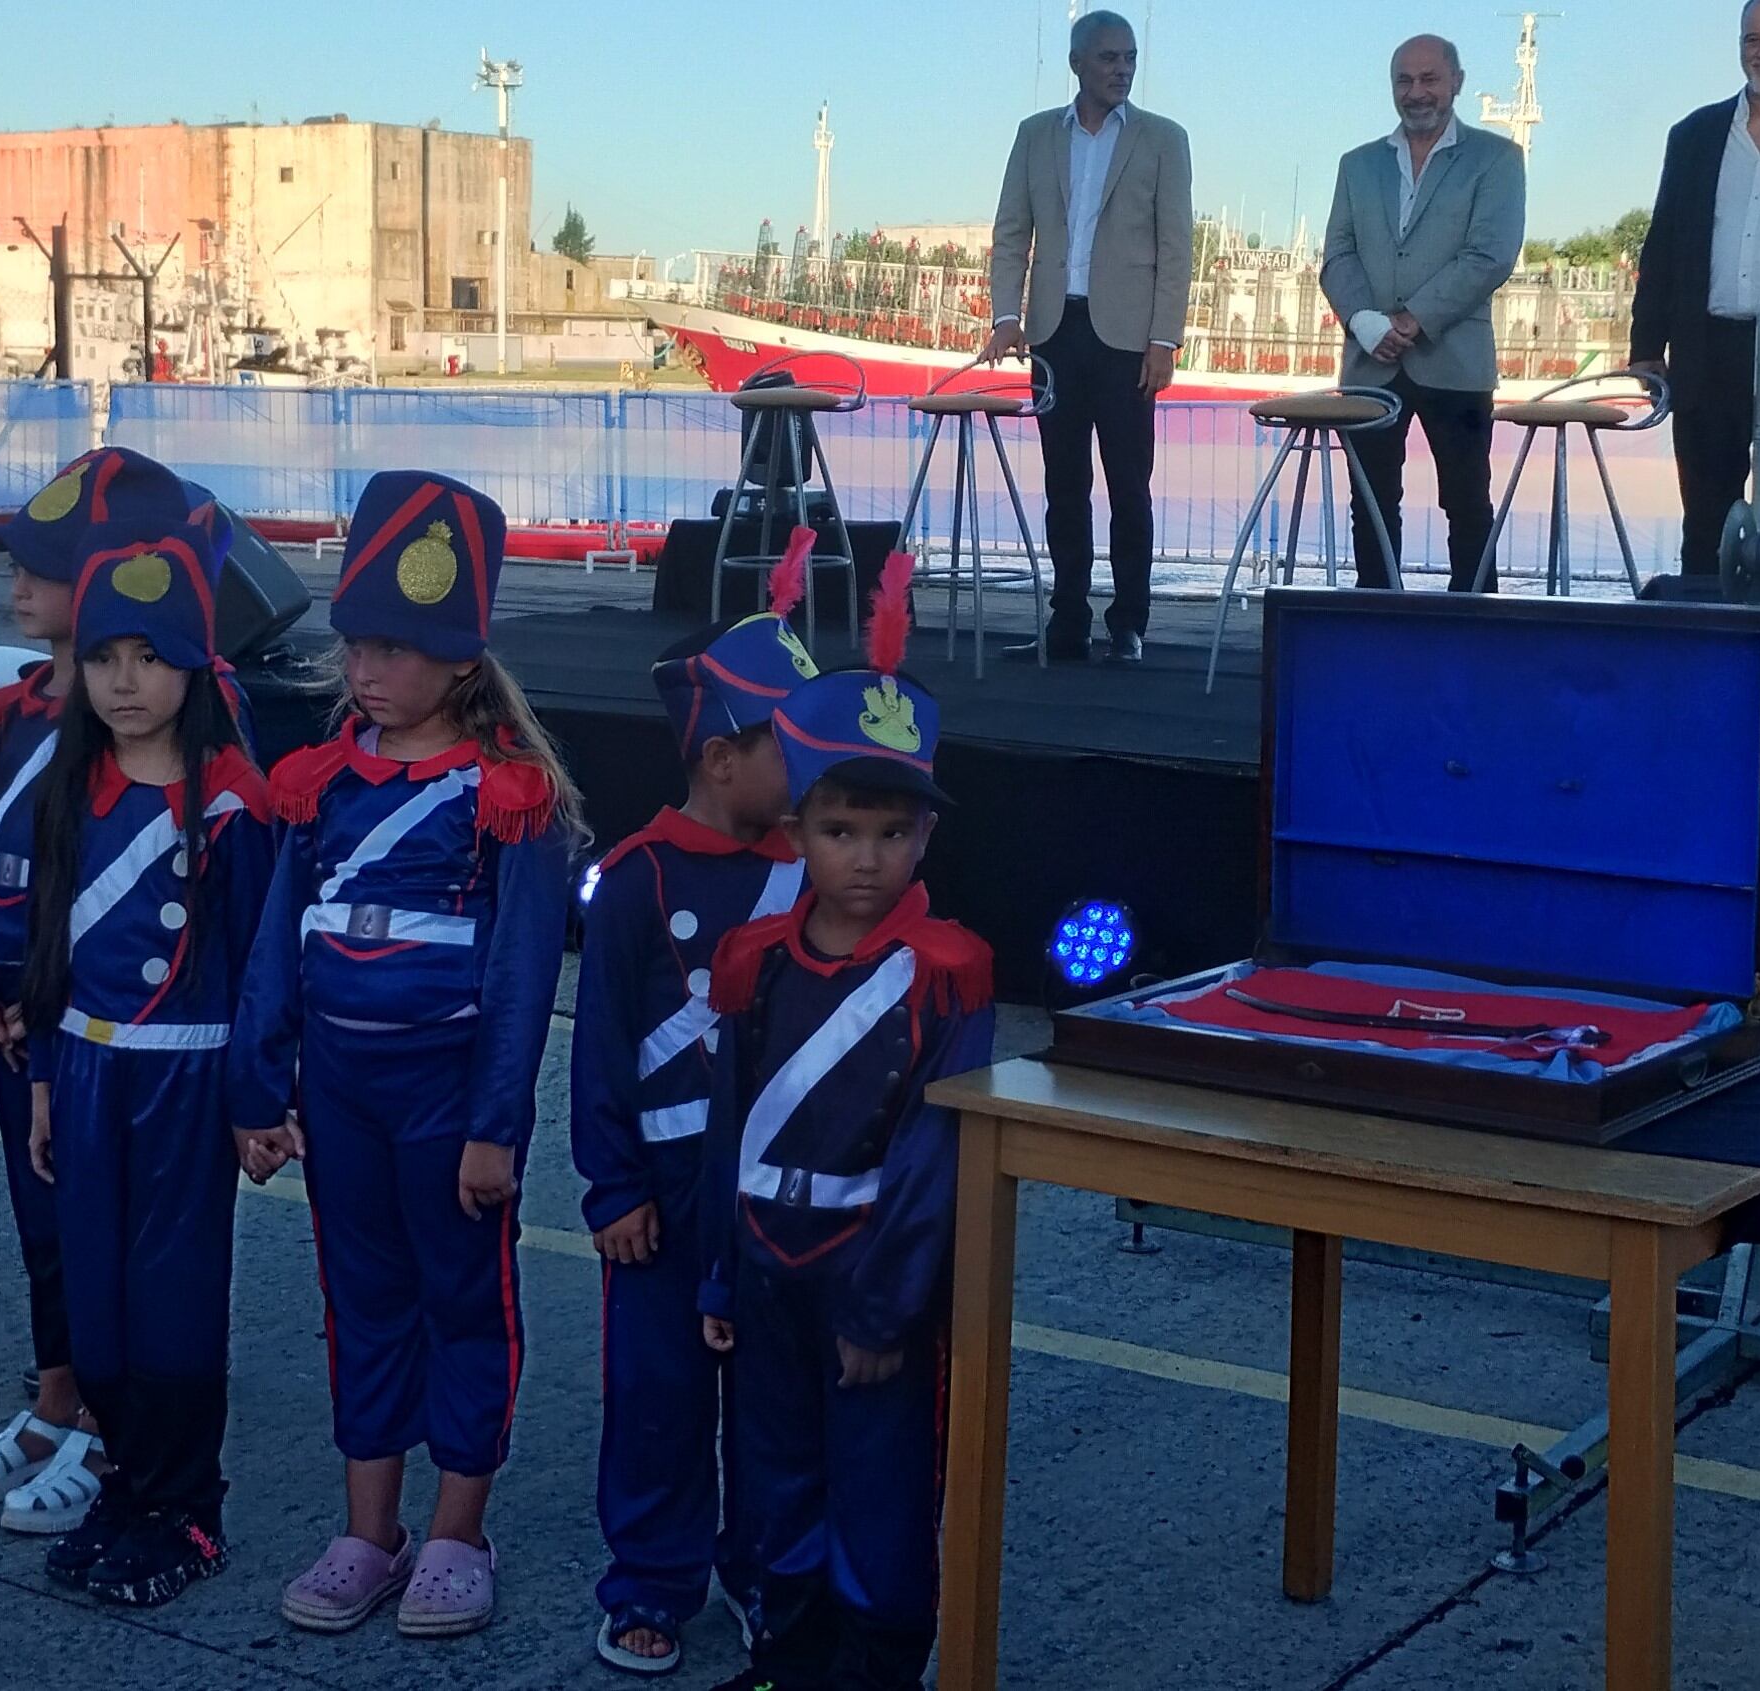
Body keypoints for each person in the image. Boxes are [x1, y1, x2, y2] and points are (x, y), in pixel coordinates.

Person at [232, 471, 578, 1641]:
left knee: (465, 1304)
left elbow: (522, 982)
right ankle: (366, 1530)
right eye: (356, 644)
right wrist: (257, 1087)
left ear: (461, 664)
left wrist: (496, 1126)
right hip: (338, 1093)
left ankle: (456, 1529)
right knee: (361, 1301)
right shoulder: (317, 786)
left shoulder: (511, 798)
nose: (365, 669)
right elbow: (279, 947)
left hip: (447, 1099)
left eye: (394, 647)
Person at [697, 553, 997, 1691]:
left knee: (878, 1483)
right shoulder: (754, 962)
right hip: (766, 1258)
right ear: (800, 831)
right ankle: (787, 1653)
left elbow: (933, 1155)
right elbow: (732, 1121)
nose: (864, 858)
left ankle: (873, 1669)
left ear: (923, 836)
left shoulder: (948, 971)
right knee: (772, 1472)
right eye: (838, 829)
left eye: (891, 831)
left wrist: (883, 1303)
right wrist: (722, 1275)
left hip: (867, 1266)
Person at [0, 448, 194, 1533]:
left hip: (87, 1018)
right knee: (44, 1221)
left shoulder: (141, 724)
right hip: (3, 1014)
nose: (16, 581)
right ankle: (55, 1393)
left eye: (40, 564)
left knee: (108, 1231)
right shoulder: (19, 710)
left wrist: (46, 999)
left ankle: (107, 1420)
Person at [20, 498, 276, 1606]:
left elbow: (265, 965)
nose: (123, 681)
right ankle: (126, 1485)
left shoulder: (231, 803)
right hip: (83, 1065)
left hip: (184, 1069)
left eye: (150, 656)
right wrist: (40, 1077)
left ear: (195, 664)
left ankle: (188, 1507)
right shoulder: (70, 789)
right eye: (102, 656)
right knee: (99, 1301)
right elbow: (46, 947)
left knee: (172, 1298)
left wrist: (259, 1096)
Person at [573, 549, 816, 1675]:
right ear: (722, 760)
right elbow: (601, 1050)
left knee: (773, 1403)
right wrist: (611, 1184)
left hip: (771, 1192)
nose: (817, 764)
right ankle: (654, 1577)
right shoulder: (635, 882)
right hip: (663, 1197)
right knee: (660, 1395)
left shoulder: (814, 878)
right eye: (790, 744)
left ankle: (765, 1566)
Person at [983, 8, 1194, 665]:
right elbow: (1011, 232)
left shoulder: (1163, 139)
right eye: (1108, 58)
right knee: (1062, 485)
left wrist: (1164, 338)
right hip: (1052, 332)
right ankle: (1065, 623)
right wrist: (1004, 316)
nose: (1121, 68)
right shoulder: (1035, 135)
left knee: (1129, 485)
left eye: (1128, 57)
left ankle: (1128, 623)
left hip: (1128, 339)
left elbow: (1175, 246)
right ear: (1076, 63)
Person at [1321, 35, 1527, 593]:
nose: (1417, 93)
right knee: (1370, 504)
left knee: (1466, 500)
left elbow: (1490, 255)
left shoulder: (1498, 159)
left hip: (1456, 366)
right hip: (1370, 366)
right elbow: (1338, 254)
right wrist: (1367, 324)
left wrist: (1409, 321)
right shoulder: (1357, 166)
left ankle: (1474, 625)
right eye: (1404, 81)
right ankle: (1378, 619)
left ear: (1456, 82)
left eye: (1429, 79)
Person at [1631, 0, 1760, 579]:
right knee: (1705, 522)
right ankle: (1702, 640)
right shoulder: (1693, 134)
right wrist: (1646, 349)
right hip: (1705, 355)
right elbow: (1661, 243)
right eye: (1751, 38)